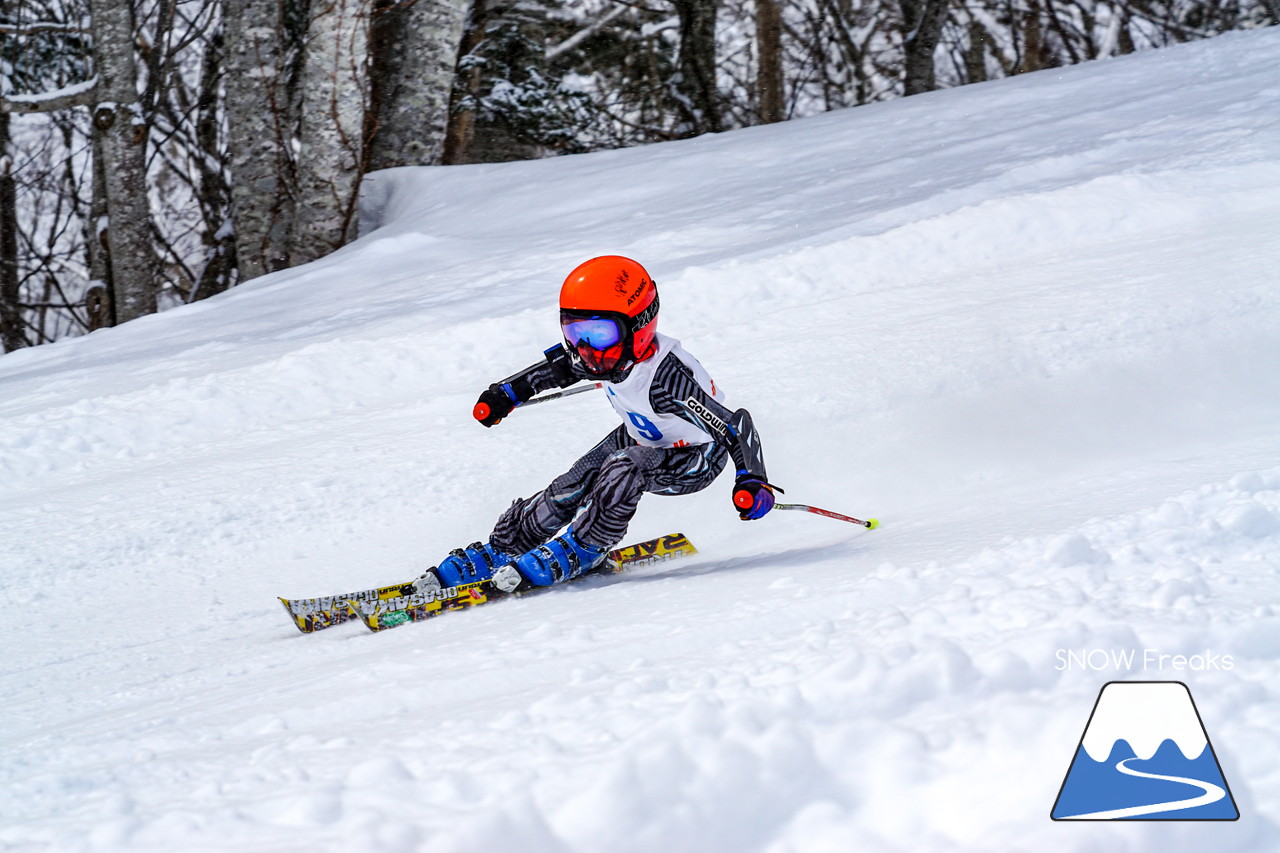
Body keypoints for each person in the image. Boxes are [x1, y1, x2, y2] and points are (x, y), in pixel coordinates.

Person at [415, 255, 777, 596]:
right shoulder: (605, 356)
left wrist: (752, 479)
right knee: (571, 483)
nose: (586, 349)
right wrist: (505, 395)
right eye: (575, 333)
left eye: (600, 333)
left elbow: (734, 425)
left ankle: (587, 545)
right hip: (642, 434)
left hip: (694, 457)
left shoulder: (668, 380)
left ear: (639, 325)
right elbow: (554, 371)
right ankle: (504, 549)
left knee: (624, 467)